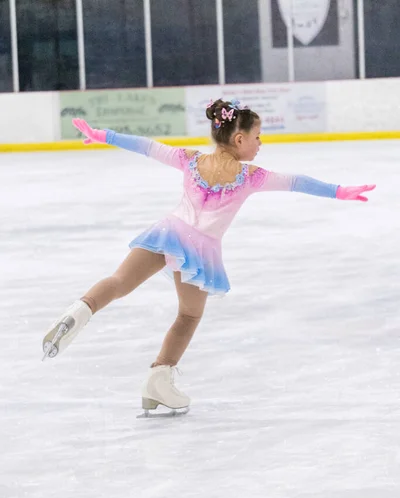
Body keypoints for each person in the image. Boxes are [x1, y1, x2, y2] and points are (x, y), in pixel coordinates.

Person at [42, 99, 375, 413]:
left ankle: (77, 313)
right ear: (240, 138)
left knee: (119, 282)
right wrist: (339, 191)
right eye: (258, 137)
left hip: (168, 232)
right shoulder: (250, 177)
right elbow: (296, 182)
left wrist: (102, 135)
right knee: (188, 317)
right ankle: (159, 379)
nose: (261, 144)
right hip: (200, 251)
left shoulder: (190, 160)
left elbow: (146, 146)